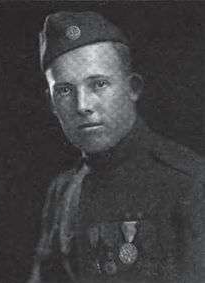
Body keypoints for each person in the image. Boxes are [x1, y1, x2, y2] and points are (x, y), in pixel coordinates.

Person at [28, 11, 205, 283]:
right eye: (64, 90)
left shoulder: (190, 182)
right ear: (52, 104)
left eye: (99, 84)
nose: (82, 105)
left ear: (132, 88)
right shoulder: (62, 192)